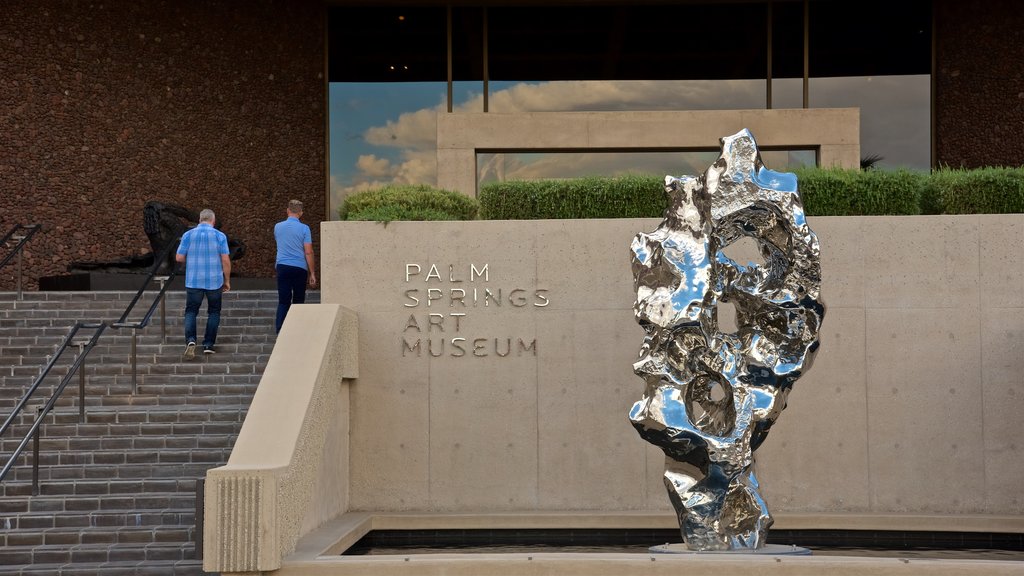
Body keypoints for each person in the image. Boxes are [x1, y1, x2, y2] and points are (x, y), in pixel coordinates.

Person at [175, 208, 231, 359]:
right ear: (213, 221)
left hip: (194, 280)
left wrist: (192, 260)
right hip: (215, 281)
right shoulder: (220, 236)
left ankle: (191, 340)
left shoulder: (188, 235)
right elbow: (225, 260)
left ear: (199, 220)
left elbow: (179, 258)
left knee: (191, 311)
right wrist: (227, 281)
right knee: (214, 312)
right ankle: (208, 344)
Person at [274, 199, 317, 333]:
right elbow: (308, 251)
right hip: (299, 268)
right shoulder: (304, 228)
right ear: (301, 213)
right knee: (298, 300)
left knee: (283, 300)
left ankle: (280, 330)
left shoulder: (277, 227)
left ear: (287, 211)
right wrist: (312, 273)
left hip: (282, 266)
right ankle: (296, 330)